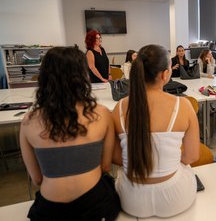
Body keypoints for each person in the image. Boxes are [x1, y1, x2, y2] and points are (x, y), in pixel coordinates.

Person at [19, 47, 120, 221]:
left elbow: (36, 179)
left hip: (50, 210)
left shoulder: (28, 121)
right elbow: (105, 167)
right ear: (83, 77)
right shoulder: (102, 114)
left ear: (44, 77)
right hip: (95, 205)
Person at [111, 45, 200, 218]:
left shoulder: (119, 108)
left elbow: (116, 158)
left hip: (131, 200)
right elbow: (191, 157)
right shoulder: (183, 106)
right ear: (165, 74)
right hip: (176, 198)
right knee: (186, 169)